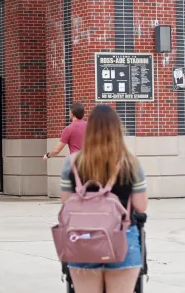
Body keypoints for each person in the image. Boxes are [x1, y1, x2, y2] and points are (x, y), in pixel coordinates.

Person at [60, 104, 148, 293]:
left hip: (83, 240)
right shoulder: (131, 163)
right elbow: (140, 206)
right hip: (122, 238)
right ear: (118, 129)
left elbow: (66, 203)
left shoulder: (73, 163)